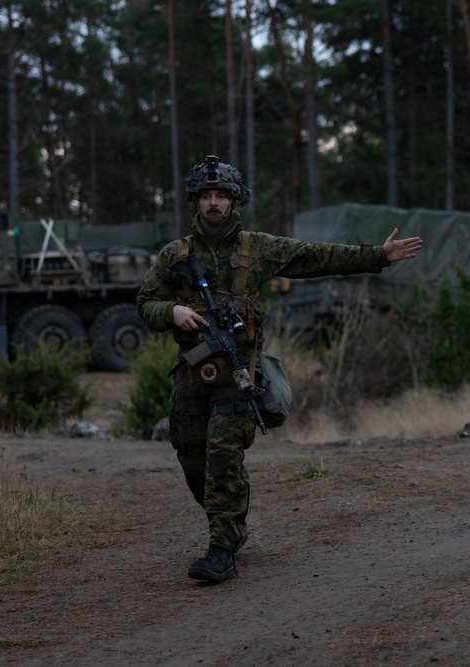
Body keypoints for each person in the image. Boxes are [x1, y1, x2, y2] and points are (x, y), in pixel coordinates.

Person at [137, 155, 423, 583]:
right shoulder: (174, 254)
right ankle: (230, 522)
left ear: (235, 201)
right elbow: (144, 303)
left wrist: (378, 257)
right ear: (196, 201)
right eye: (207, 196)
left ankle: (222, 548)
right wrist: (172, 310)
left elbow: (319, 257)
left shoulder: (259, 248)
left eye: (222, 196)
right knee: (193, 458)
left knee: (223, 459)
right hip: (192, 374)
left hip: (238, 373)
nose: (214, 203)